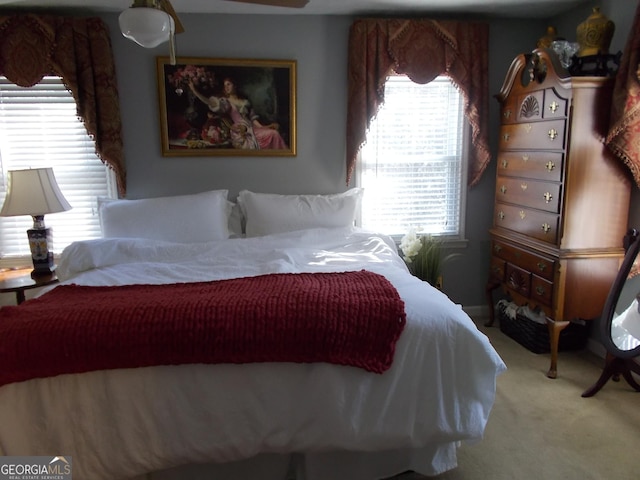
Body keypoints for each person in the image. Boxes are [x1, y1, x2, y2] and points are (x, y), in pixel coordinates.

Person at [188, 78, 288, 150]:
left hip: (252, 128)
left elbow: (253, 119)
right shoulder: (225, 101)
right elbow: (209, 102)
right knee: (272, 134)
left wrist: (265, 126)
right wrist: (194, 90)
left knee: (274, 132)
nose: (226, 87)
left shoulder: (244, 101)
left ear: (234, 85)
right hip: (240, 130)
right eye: (225, 85)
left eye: (228, 84)